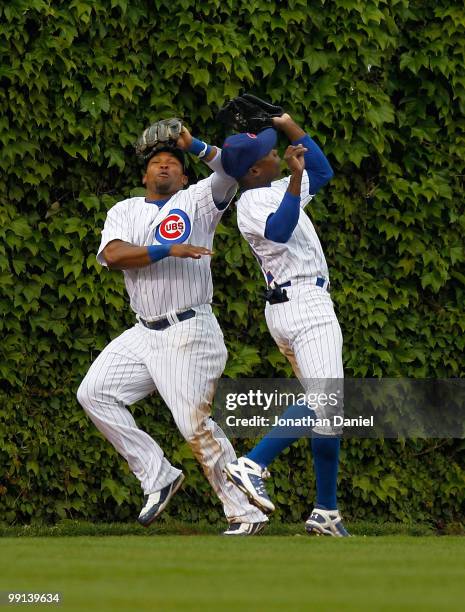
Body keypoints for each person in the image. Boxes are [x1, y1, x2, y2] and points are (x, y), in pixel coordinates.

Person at [77, 123, 267, 536]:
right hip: (144, 331)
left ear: (184, 176)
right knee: (94, 393)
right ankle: (157, 475)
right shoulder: (124, 210)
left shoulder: (198, 199)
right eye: (157, 162)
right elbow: (113, 255)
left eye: (172, 163)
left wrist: (190, 143)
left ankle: (245, 513)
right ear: (144, 175)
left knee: (193, 426)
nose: (164, 166)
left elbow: (233, 167)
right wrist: (168, 249)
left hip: (189, 328)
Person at [221, 114, 350, 536]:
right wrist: (294, 180)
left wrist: (291, 125)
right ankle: (252, 463)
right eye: (272, 153)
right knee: (325, 397)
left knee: (329, 411)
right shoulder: (251, 203)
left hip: (292, 305)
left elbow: (323, 170)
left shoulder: (276, 186)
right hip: (303, 303)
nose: (280, 154)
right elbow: (279, 231)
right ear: (255, 170)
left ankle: (326, 512)